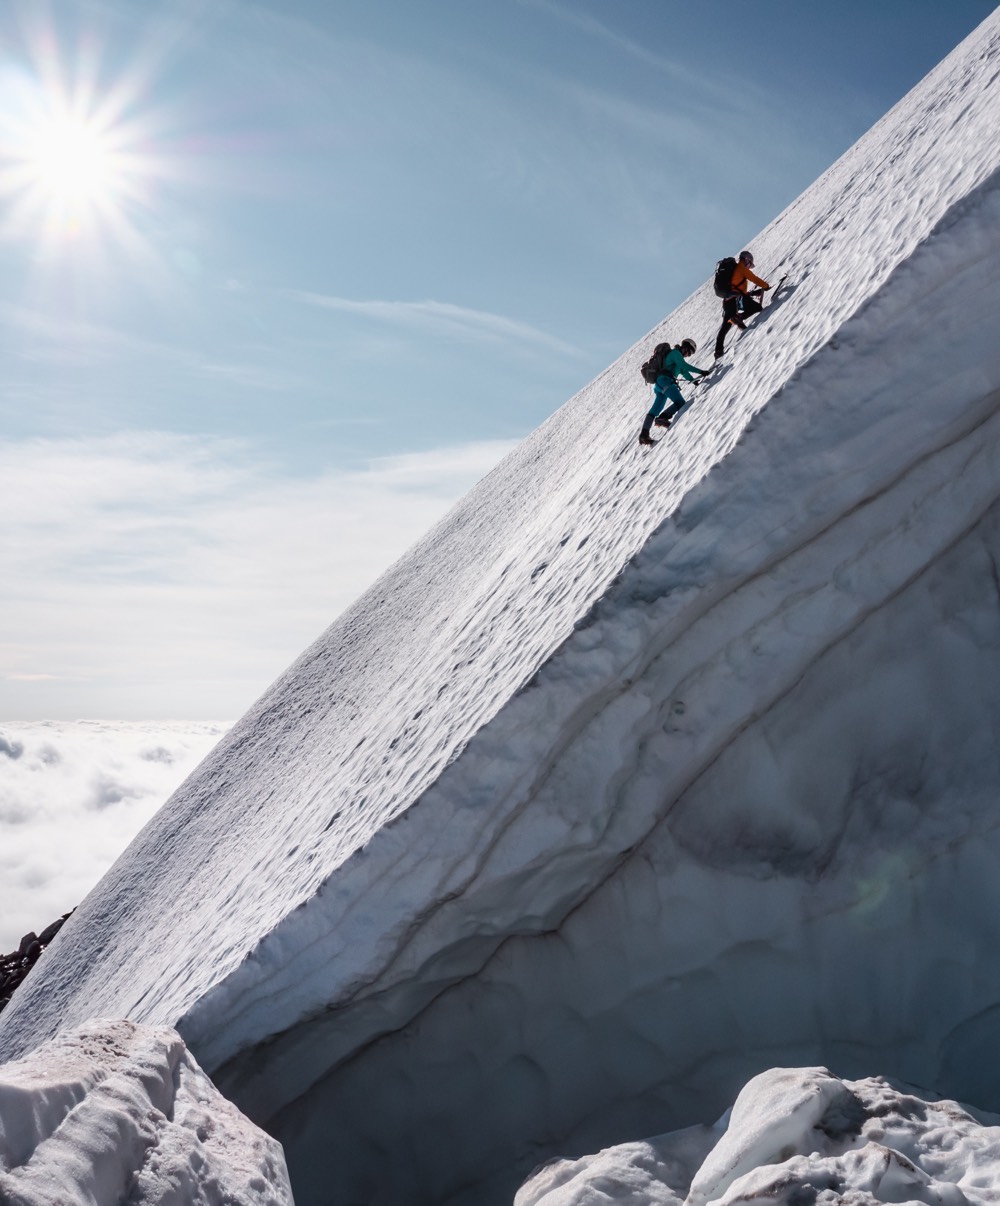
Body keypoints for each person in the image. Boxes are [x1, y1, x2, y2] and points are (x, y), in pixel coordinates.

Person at [638, 338, 710, 445]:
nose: (688, 355)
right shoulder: (675, 353)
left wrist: (694, 381)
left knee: (655, 410)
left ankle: (644, 435)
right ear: (685, 347)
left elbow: (684, 371)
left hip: (660, 384)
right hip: (665, 381)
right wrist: (701, 371)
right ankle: (662, 418)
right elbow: (684, 366)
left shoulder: (677, 359)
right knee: (680, 403)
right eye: (689, 352)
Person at [713, 250, 770, 359]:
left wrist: (752, 293)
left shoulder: (735, 270)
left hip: (728, 301)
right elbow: (755, 279)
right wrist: (766, 286)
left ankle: (718, 351)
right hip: (736, 300)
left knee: (725, 327)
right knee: (756, 307)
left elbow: (736, 288)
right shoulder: (741, 268)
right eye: (749, 264)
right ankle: (738, 317)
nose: (749, 266)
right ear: (747, 260)